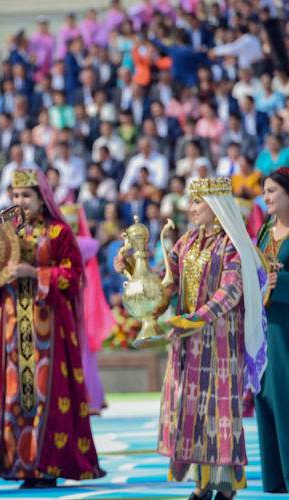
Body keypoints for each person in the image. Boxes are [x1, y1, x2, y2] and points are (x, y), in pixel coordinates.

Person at [117, 177, 267, 500]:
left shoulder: (233, 245)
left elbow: (229, 293)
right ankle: (201, 485)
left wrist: (195, 320)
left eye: (198, 202)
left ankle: (225, 487)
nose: (192, 208)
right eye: (192, 202)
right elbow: (164, 285)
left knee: (219, 412)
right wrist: (132, 270)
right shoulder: (185, 243)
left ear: (217, 207)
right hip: (187, 342)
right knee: (191, 410)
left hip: (221, 343)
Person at [0, 167, 105, 487]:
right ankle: (22, 466)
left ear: (42, 198)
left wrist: (34, 272)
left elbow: (74, 275)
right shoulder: (6, 233)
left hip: (48, 331)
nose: (20, 201)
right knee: (17, 394)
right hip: (14, 330)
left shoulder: (59, 233)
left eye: (26, 196)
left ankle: (47, 466)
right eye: (15, 196)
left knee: (45, 393)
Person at [61, 204, 116, 414]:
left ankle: (86, 397)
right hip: (69, 299)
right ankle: (84, 397)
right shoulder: (79, 244)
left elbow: (90, 243)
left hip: (80, 302)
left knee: (82, 350)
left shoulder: (81, 244)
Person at [255, 167, 289, 493]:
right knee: (265, 394)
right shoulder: (266, 230)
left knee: (284, 394)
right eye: (264, 192)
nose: (265, 197)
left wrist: (282, 284)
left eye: (271, 191)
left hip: (286, 327)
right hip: (265, 325)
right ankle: (275, 477)